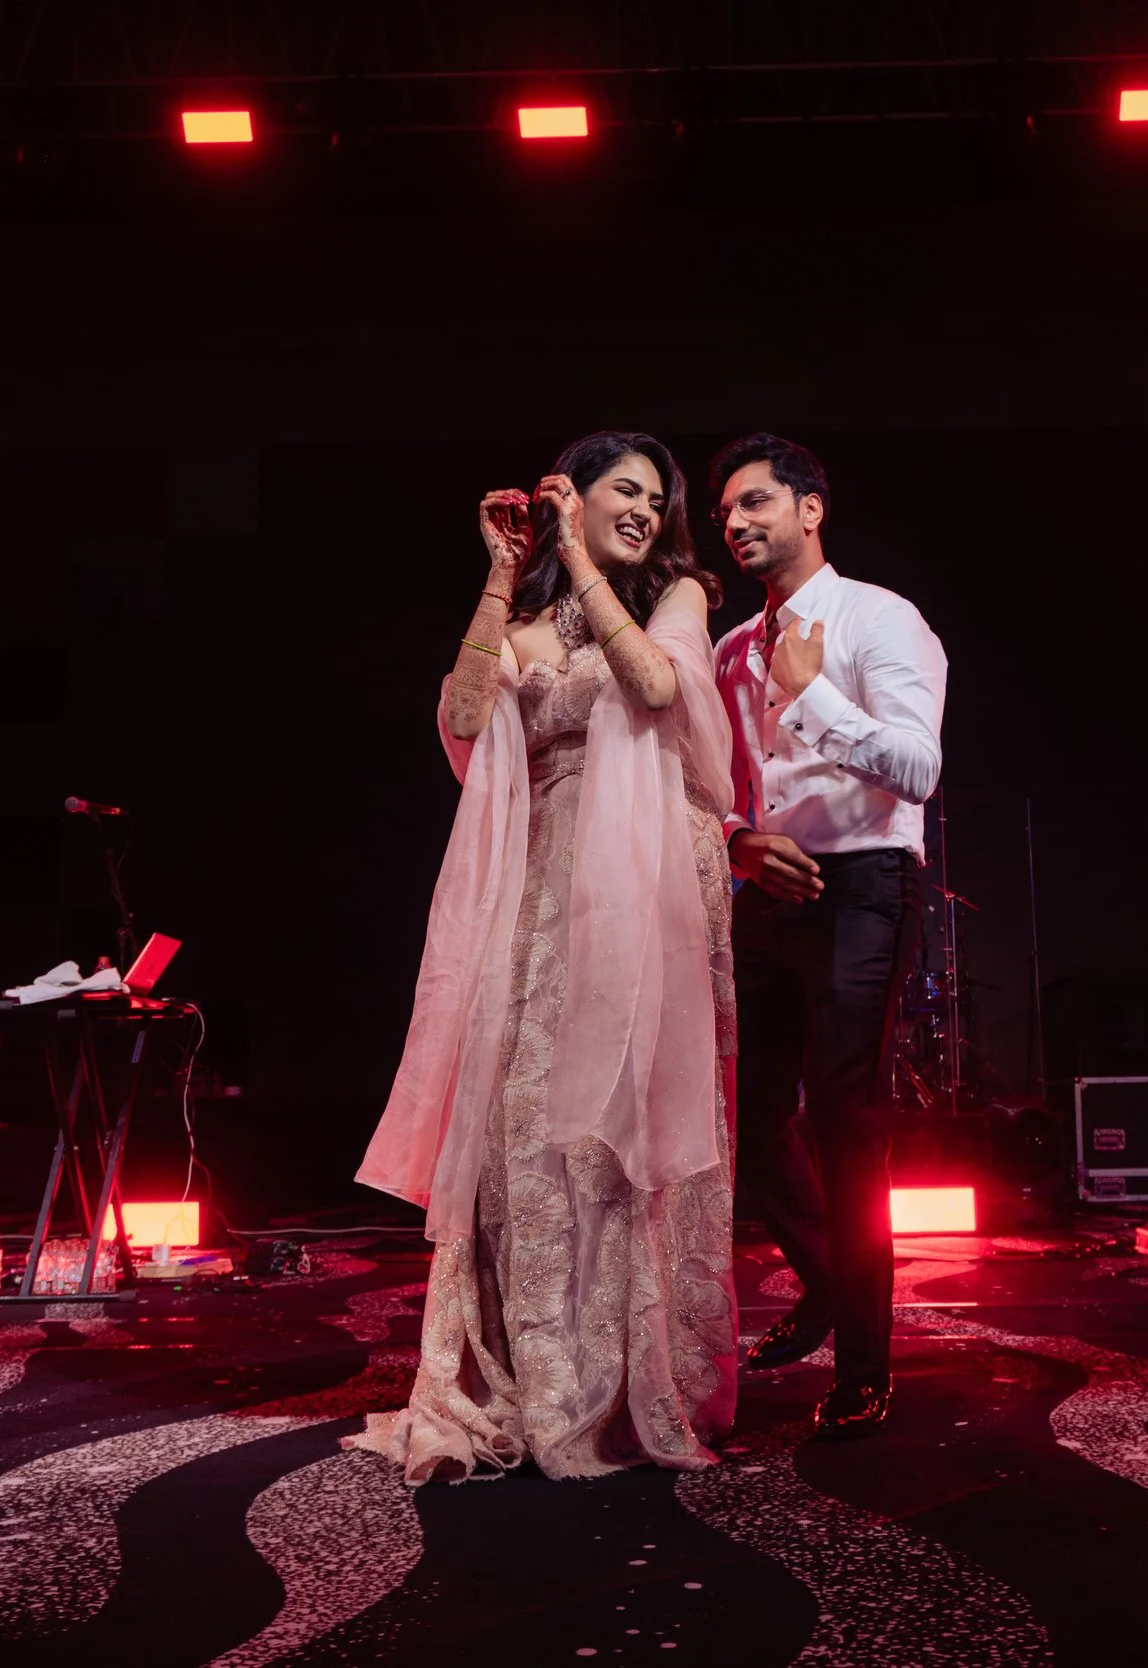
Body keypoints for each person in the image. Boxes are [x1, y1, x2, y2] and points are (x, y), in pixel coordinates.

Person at [352, 432, 739, 1482]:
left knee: (620, 1127)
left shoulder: (680, 597)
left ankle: (619, 1382)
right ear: (577, 491)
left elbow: (657, 689)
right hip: (540, 892)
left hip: (647, 883)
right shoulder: (526, 629)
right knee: (527, 1123)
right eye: (628, 490)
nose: (647, 512)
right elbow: (466, 718)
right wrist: (499, 572)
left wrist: (575, 555)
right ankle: (534, 1369)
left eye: (658, 499)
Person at [710, 433, 946, 1439]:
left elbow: (918, 768)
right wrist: (738, 844)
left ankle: (864, 1363)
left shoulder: (880, 618)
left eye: (757, 503)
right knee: (748, 1123)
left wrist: (811, 696)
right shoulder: (725, 652)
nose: (736, 523)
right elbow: (714, 790)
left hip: (864, 884)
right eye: (725, 513)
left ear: (811, 510)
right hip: (766, 887)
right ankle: (824, 1287)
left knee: (846, 1121)